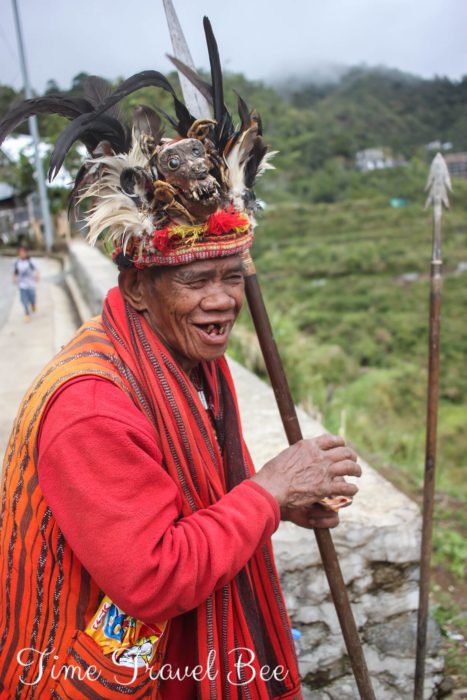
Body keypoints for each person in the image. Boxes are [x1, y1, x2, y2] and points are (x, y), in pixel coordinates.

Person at [0, 21, 361, 700]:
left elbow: (187, 498)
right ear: (136, 288)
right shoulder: (90, 408)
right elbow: (154, 575)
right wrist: (268, 489)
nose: (222, 301)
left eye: (232, 274)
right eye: (196, 280)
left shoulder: (186, 360)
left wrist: (279, 504)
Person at [12, 244, 39, 320]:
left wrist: (37, 276)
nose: (22, 254)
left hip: (31, 284)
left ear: (26, 253)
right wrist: (14, 278)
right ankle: (27, 313)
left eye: (23, 252)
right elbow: (15, 271)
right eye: (20, 252)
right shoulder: (16, 262)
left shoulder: (31, 261)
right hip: (22, 284)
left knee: (32, 297)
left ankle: (33, 304)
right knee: (24, 300)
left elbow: (37, 269)